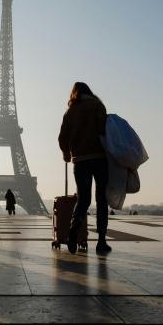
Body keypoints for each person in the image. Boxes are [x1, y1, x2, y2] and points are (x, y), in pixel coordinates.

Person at [58, 82, 111, 255]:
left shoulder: (70, 111)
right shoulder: (97, 105)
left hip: (80, 161)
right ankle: (101, 241)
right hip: (99, 158)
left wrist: (67, 154)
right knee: (101, 199)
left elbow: (62, 137)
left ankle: (73, 234)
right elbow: (105, 130)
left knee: (83, 200)